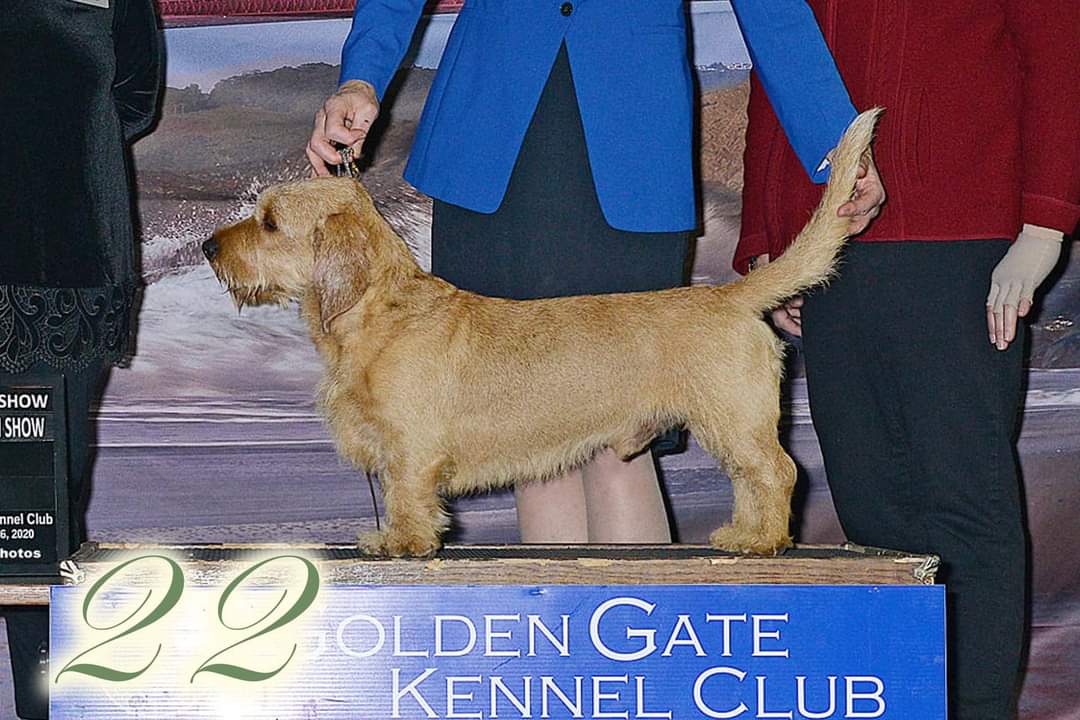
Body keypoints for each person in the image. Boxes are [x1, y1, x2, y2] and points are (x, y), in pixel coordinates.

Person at [308, 0, 884, 544]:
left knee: (622, 439)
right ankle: (558, 619)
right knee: (525, 437)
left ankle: (644, 618)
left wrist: (835, 144)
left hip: (633, 145)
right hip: (490, 139)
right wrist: (362, 77)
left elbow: (773, 10)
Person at [734, 2, 1080, 718]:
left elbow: (1060, 58)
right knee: (868, 502)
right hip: (827, 242)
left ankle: (977, 709)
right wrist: (768, 236)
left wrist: (1045, 222)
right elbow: (779, 65)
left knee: (962, 498)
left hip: (962, 239)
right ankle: (898, 701)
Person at [0, 0, 163, 716]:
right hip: (54, 258)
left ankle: (44, 703)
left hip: (74, 268)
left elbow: (136, 102)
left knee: (42, 505)